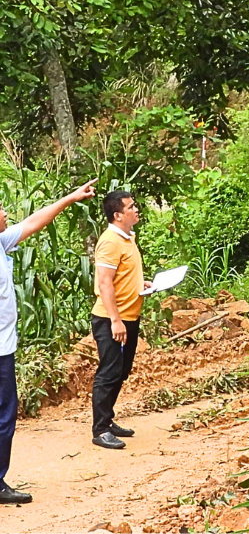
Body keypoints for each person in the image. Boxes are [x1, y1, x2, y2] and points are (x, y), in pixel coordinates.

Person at [0, 178, 98, 505]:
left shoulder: (1, 243)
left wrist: (70, 198)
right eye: (0, 210)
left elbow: (32, 222)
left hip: (5, 349)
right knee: (3, 416)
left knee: (5, 415)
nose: (5, 212)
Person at [90, 191, 151, 450]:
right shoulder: (110, 242)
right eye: (131, 207)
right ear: (118, 215)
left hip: (129, 315)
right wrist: (115, 321)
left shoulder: (127, 238)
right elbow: (104, 283)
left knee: (121, 371)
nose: (136, 210)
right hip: (111, 318)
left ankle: (109, 419)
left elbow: (121, 276)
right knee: (109, 372)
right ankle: (100, 429)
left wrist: (142, 284)